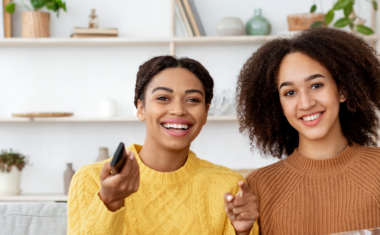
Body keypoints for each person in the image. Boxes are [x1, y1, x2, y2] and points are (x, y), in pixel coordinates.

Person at [68, 56, 259, 235]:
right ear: (141, 108)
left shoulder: (229, 186)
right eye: (163, 98)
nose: (178, 110)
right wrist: (109, 201)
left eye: (192, 100)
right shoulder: (90, 180)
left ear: (206, 112)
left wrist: (242, 232)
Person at [236, 28, 380, 235]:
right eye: (290, 92)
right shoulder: (259, 187)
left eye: (316, 85)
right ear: (279, 106)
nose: (306, 103)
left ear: (343, 90)